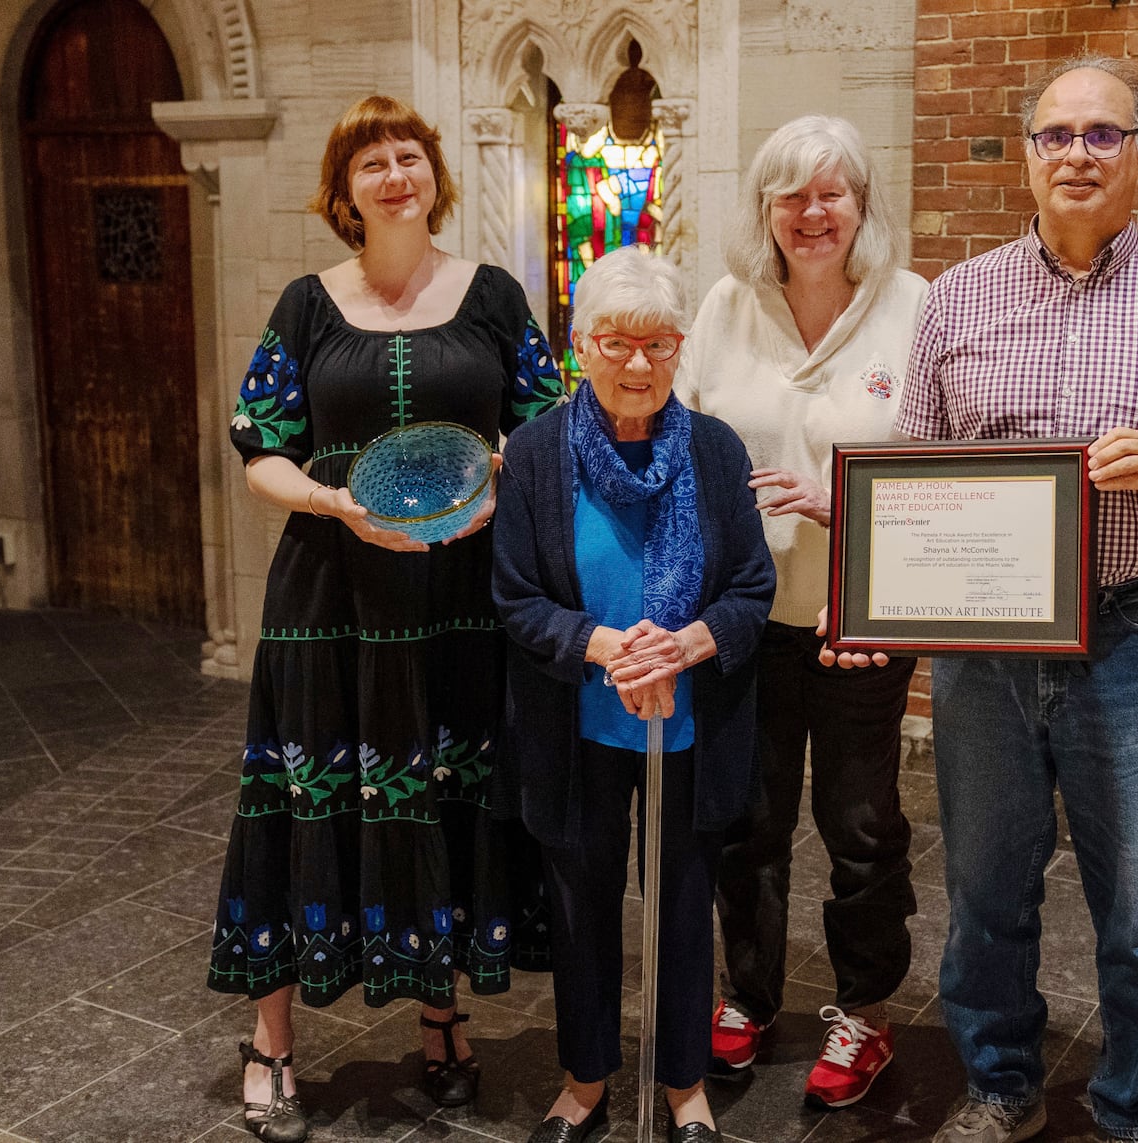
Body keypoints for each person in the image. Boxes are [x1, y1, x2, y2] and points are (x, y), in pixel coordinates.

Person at [898, 56, 1138, 1142]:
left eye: (1100, 134)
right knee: (984, 890)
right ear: (1026, 156)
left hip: (1136, 634)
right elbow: (912, 473)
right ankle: (997, 1085)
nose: (1075, 152)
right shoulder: (956, 299)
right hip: (985, 648)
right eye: (1054, 134)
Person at [208, 94, 566, 1142]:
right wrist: (334, 503)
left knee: (446, 794)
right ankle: (272, 1040)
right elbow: (258, 448)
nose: (395, 173)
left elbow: (548, 424)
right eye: (372, 163)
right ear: (345, 191)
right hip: (332, 597)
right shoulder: (306, 306)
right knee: (301, 795)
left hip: (463, 597)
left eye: (410, 155)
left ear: (434, 176)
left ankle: (441, 1016)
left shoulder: (492, 295)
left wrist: (501, 491)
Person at [493, 245, 774, 1143]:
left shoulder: (715, 447)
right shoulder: (537, 453)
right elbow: (514, 596)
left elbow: (752, 588)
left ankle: (684, 1082)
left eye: (659, 343)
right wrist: (606, 645)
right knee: (581, 903)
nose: (640, 363)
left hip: (688, 718)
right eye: (617, 343)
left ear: (680, 347)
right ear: (582, 348)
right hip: (577, 717)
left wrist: (688, 643)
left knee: (686, 903)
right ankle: (585, 1078)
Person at [675, 115, 927, 1110]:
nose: (810, 213)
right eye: (789, 194)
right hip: (743, 620)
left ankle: (864, 1011)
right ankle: (747, 995)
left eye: (830, 192)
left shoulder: (915, 308)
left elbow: (951, 471)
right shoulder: (727, 306)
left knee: (862, 826)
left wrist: (848, 507)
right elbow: (682, 449)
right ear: (764, 210)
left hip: (858, 627)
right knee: (746, 822)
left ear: (862, 205)